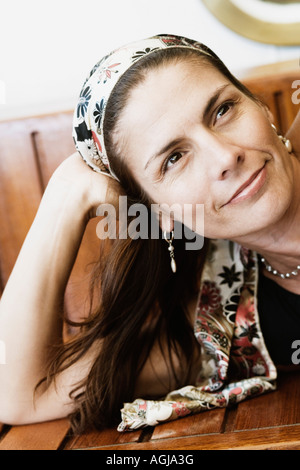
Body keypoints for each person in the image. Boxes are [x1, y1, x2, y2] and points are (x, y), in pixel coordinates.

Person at [0, 34, 300, 434]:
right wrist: (65, 195)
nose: (226, 156)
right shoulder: (223, 324)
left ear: (261, 108)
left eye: (223, 110)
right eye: (174, 158)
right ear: (159, 213)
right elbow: (20, 394)